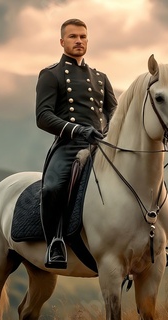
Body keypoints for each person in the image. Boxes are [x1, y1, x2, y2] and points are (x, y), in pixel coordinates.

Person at [35, 18, 117, 269]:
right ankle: (55, 241)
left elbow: (114, 110)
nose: (78, 41)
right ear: (62, 42)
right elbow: (43, 116)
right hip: (69, 145)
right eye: (72, 36)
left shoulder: (101, 77)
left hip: (101, 144)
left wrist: (109, 131)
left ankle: (155, 239)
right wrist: (77, 129)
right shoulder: (51, 75)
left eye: (82, 36)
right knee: (51, 188)